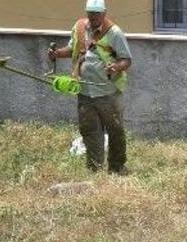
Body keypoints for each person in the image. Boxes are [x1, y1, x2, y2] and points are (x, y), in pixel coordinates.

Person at [48, 0, 132, 174]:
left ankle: (117, 168)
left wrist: (116, 67)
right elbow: (72, 49)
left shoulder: (114, 33)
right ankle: (95, 169)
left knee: (115, 131)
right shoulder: (79, 28)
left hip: (108, 92)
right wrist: (57, 54)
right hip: (85, 92)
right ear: (86, 12)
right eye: (90, 13)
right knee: (90, 131)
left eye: (97, 13)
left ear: (104, 13)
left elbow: (126, 59)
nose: (93, 17)